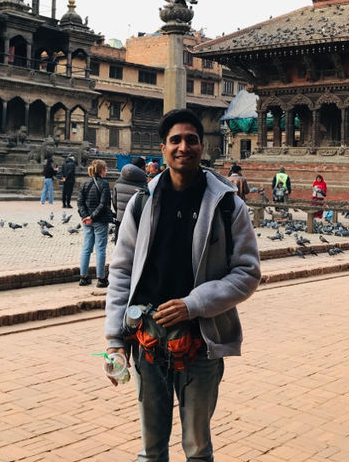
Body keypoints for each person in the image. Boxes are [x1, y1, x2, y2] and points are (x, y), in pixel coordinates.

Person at [105, 108, 260, 461]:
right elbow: (122, 272)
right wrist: (115, 342)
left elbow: (247, 272)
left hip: (200, 341)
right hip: (148, 339)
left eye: (191, 139)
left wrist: (194, 303)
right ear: (163, 149)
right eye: (175, 140)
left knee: (197, 447)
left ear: (202, 147)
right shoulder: (142, 202)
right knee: (151, 449)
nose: (183, 147)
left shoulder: (226, 205)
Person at [77, 159, 113, 287]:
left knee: (86, 248)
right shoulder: (104, 184)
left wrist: (85, 216)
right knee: (100, 249)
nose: (106, 171)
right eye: (106, 169)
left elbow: (80, 202)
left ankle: (83, 276)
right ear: (102, 170)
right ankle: (101, 278)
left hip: (87, 220)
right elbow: (103, 204)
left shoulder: (85, 183)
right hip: (100, 220)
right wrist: (92, 217)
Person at [112, 157, 148, 239]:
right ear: (142, 167)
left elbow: (114, 202)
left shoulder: (118, 181)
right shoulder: (143, 183)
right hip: (136, 221)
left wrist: (119, 213)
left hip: (120, 220)